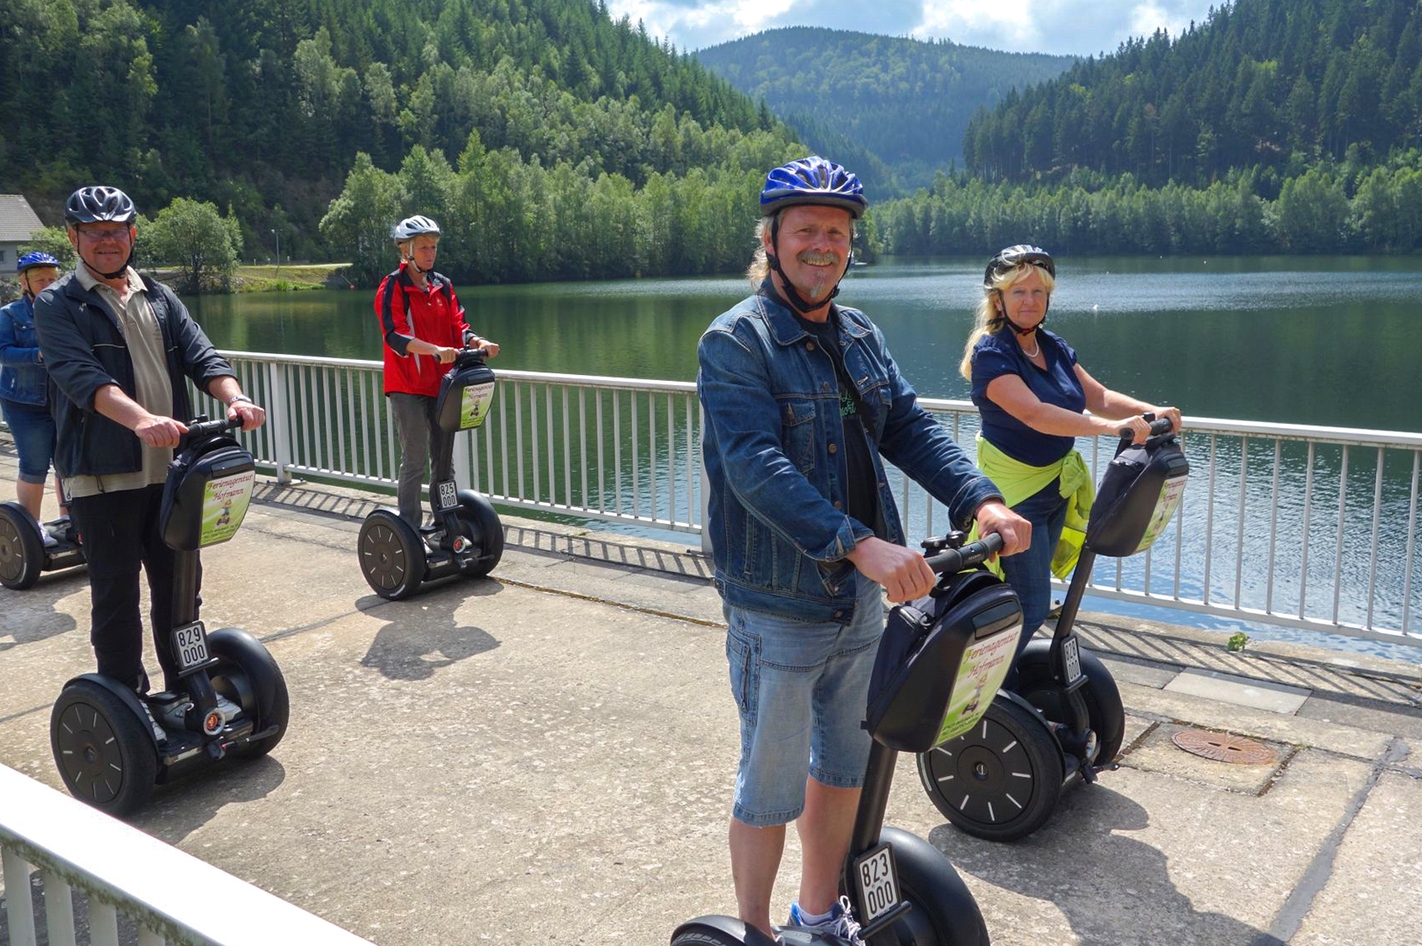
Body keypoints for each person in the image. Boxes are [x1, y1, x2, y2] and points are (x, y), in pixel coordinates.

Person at [697, 157, 1031, 943]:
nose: (823, 246)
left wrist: (979, 498)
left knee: (844, 769)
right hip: (779, 603)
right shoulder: (736, 343)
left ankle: (816, 916)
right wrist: (860, 545)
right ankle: (754, 931)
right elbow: (755, 468)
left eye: (837, 234)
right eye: (806, 231)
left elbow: (907, 426)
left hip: (859, 603)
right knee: (769, 786)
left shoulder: (858, 333)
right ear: (772, 241)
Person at [34, 185, 266, 695]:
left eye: (116, 231)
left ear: (132, 234)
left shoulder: (158, 296)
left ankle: (188, 686)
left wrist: (236, 399)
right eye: (94, 232)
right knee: (116, 598)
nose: (107, 241)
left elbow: (203, 355)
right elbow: (81, 377)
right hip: (102, 477)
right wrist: (140, 419)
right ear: (74, 237)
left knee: (181, 590)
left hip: (172, 476)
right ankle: (127, 704)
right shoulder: (58, 304)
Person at [962, 244, 1181, 684]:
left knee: (1028, 596)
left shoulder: (1053, 347)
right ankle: (981, 687)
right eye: (1019, 291)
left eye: (1038, 292)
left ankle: (1004, 683)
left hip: (1054, 487)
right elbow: (1035, 414)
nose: (1030, 300)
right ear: (998, 299)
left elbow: (1096, 397)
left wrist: (1150, 411)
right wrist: (1110, 429)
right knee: (1031, 599)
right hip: (1013, 497)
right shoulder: (992, 354)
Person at [374, 215, 499, 532]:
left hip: (441, 386)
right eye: (423, 247)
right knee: (415, 458)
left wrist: (477, 341)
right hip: (407, 387)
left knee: (444, 462)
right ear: (407, 250)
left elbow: (459, 326)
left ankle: (446, 523)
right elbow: (394, 335)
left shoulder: (442, 286)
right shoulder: (393, 287)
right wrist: (433, 350)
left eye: (433, 247)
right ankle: (410, 531)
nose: (430, 253)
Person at [1, 252, 66, 546]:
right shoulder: (10, 314)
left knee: (68, 463)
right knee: (34, 465)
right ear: (24, 281)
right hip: (24, 403)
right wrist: (35, 355)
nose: (48, 284)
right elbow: (2, 352)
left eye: (53, 279)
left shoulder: (66, 309)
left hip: (62, 399)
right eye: (41, 280)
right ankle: (32, 528)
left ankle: (70, 519)